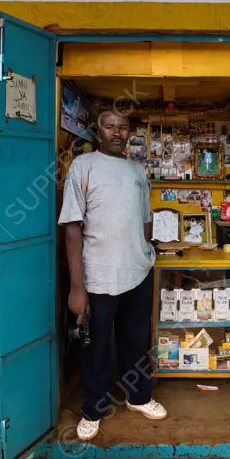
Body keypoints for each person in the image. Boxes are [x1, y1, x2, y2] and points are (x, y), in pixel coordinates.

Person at [58, 109, 167, 441]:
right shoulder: (83, 167)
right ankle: (93, 409)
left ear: (129, 132)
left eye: (122, 128)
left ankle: (139, 397)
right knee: (96, 346)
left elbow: (145, 216)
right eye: (109, 127)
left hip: (137, 271)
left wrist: (148, 250)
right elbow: (72, 227)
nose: (116, 132)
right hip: (100, 276)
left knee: (137, 341)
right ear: (98, 130)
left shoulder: (137, 170)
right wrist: (77, 287)